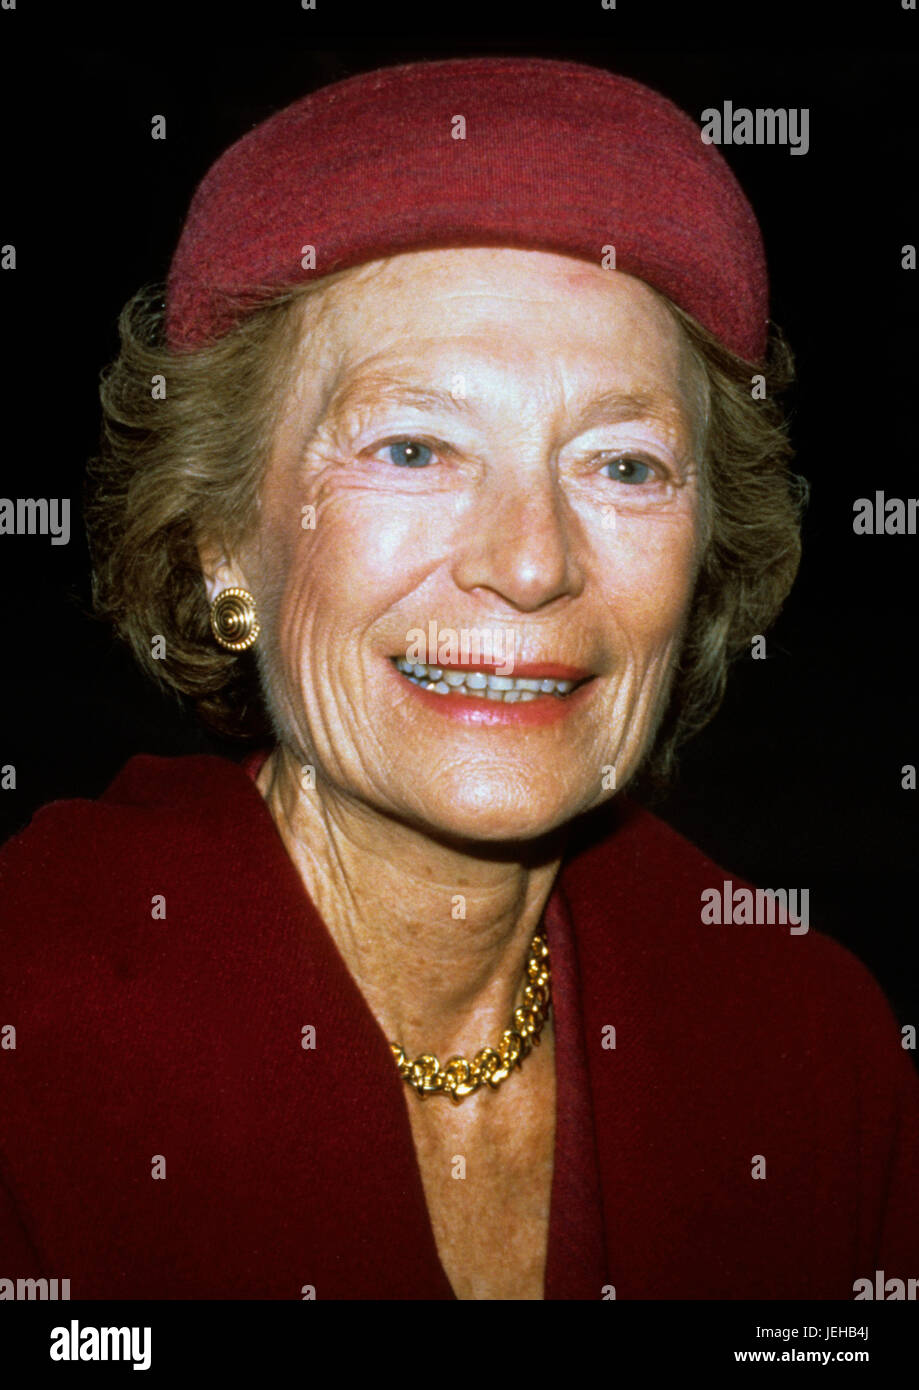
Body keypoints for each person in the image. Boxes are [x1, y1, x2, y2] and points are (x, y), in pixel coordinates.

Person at [1, 56, 917, 1302]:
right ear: (223, 537)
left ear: (705, 561)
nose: (530, 562)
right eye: (415, 445)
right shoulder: (30, 1038)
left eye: (625, 467)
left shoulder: (814, 1053)